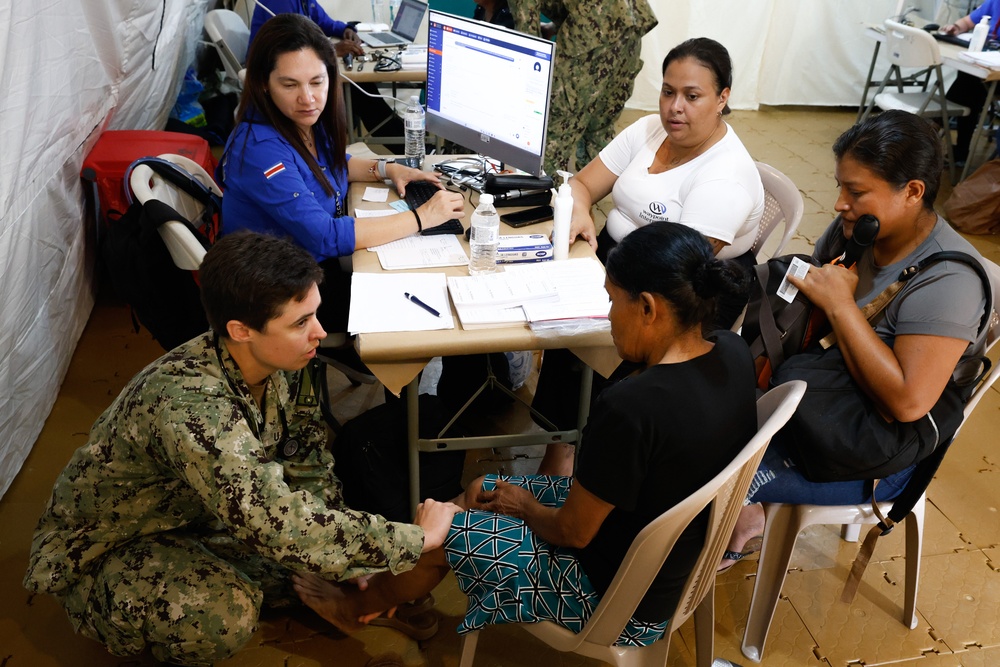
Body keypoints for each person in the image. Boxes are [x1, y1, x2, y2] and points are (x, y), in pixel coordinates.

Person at [290, 221, 758, 647]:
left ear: (650, 307)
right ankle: (396, 583)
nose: (608, 315)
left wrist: (526, 506)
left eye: (613, 301)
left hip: (614, 597)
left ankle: (358, 607)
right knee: (481, 490)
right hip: (671, 564)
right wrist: (519, 503)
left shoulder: (633, 408)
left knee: (448, 530)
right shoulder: (732, 353)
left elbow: (574, 532)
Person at [22, 232, 459, 665]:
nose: (320, 333)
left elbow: (307, 463)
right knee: (225, 614)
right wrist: (410, 540)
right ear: (240, 330)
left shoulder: (287, 361)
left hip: (198, 514)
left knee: (323, 556)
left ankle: (337, 589)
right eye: (300, 322)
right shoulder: (192, 407)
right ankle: (105, 605)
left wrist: (343, 562)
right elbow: (272, 521)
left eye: (315, 315)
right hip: (109, 545)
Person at [721, 110, 992, 571]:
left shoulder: (948, 284)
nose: (840, 203)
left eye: (857, 191)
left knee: (703, 466)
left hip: (872, 454)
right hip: (818, 402)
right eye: (841, 186)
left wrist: (842, 306)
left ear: (912, 192)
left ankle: (679, 567)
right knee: (690, 415)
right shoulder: (859, 233)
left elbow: (907, 404)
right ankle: (742, 518)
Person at [530, 38, 764, 457]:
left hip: (684, 289)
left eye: (692, 96)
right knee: (558, 320)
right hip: (623, 261)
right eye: (668, 91)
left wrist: (604, 285)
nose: (675, 107)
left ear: (722, 98)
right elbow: (581, 183)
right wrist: (581, 212)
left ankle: (579, 455)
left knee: (580, 330)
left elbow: (677, 272)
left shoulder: (725, 177)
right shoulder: (649, 130)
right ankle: (559, 446)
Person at [217, 14, 465, 336]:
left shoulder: (301, 119)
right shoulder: (260, 149)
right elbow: (324, 236)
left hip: (312, 269)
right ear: (264, 83)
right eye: (289, 84)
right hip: (284, 295)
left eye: (317, 82)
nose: (307, 98)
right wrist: (423, 217)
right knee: (431, 307)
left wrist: (387, 169)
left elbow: (329, 164)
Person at [509, 0, 658, 175]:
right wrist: (554, 26)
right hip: (631, 24)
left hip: (592, 35)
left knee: (556, 130)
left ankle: (548, 197)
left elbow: (529, 38)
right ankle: (593, 196)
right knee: (599, 127)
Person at [248, 0, 406, 140]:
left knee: (364, 91)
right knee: (360, 91)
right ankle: (409, 144)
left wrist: (346, 29)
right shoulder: (280, 3)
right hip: (272, 78)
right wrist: (333, 50)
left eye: (317, 82)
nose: (308, 99)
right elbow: (288, 50)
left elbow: (326, 23)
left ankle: (406, 141)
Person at [941, 2, 1000, 166]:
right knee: (969, 81)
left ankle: (931, 128)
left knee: (968, 84)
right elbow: (968, 22)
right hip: (988, 66)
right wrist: (956, 27)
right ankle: (957, 151)